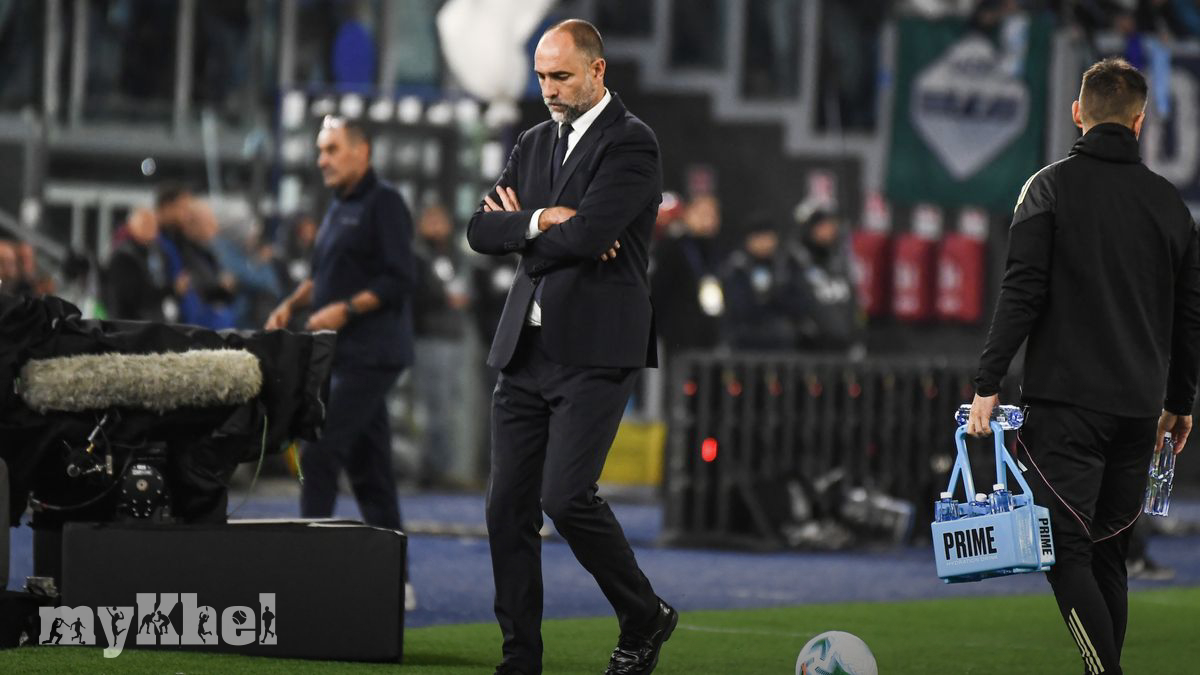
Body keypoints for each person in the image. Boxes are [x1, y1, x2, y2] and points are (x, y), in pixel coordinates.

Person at [967, 57, 1200, 675]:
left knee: (1064, 553)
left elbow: (1021, 291)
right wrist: (1180, 402)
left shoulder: (1047, 188)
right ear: (1139, 122)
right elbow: (1190, 318)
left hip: (1067, 405)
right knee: (1107, 555)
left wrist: (988, 381)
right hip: (1139, 410)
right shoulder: (1171, 206)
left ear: (1078, 113)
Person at [466, 19, 675, 675]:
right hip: (523, 352)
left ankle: (644, 614)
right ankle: (520, 659)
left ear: (597, 70)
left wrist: (523, 230)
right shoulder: (533, 142)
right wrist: (541, 219)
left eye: (560, 76)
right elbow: (478, 230)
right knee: (506, 508)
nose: (549, 89)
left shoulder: (632, 142)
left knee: (565, 498)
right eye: (541, 77)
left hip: (595, 351)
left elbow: (586, 238)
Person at [265, 114, 416, 604]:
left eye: (331, 149)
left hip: (372, 353)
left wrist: (345, 310)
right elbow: (324, 275)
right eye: (319, 150)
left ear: (361, 151)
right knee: (371, 470)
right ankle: (397, 581)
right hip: (342, 353)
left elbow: (399, 279)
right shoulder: (337, 208)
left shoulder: (384, 203)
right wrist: (293, 303)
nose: (321, 160)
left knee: (319, 453)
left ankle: (310, 574)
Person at [412, 203, 472, 487]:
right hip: (428, 336)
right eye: (430, 221)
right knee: (432, 405)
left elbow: (468, 291)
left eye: (440, 221)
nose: (436, 227)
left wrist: (460, 298)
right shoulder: (417, 255)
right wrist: (443, 298)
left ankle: (445, 468)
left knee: (451, 406)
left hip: (455, 336)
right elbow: (416, 294)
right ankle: (430, 468)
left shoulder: (458, 256)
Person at [650, 194, 725, 359]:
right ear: (687, 214)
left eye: (712, 215)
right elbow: (659, 290)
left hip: (710, 334)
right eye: (702, 213)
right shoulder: (672, 247)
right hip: (678, 335)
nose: (708, 220)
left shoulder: (719, 249)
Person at [720, 214, 800, 351]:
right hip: (744, 340)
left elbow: (798, 303)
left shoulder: (786, 265)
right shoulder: (736, 267)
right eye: (758, 237)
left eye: (768, 237)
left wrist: (775, 296)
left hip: (781, 339)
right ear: (748, 240)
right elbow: (736, 307)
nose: (764, 243)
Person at [105, 207, 177, 322]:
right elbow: (136, 297)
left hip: (153, 321)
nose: (150, 229)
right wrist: (171, 289)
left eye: (153, 224)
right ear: (131, 227)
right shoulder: (123, 256)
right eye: (145, 224)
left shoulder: (158, 252)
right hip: (129, 324)